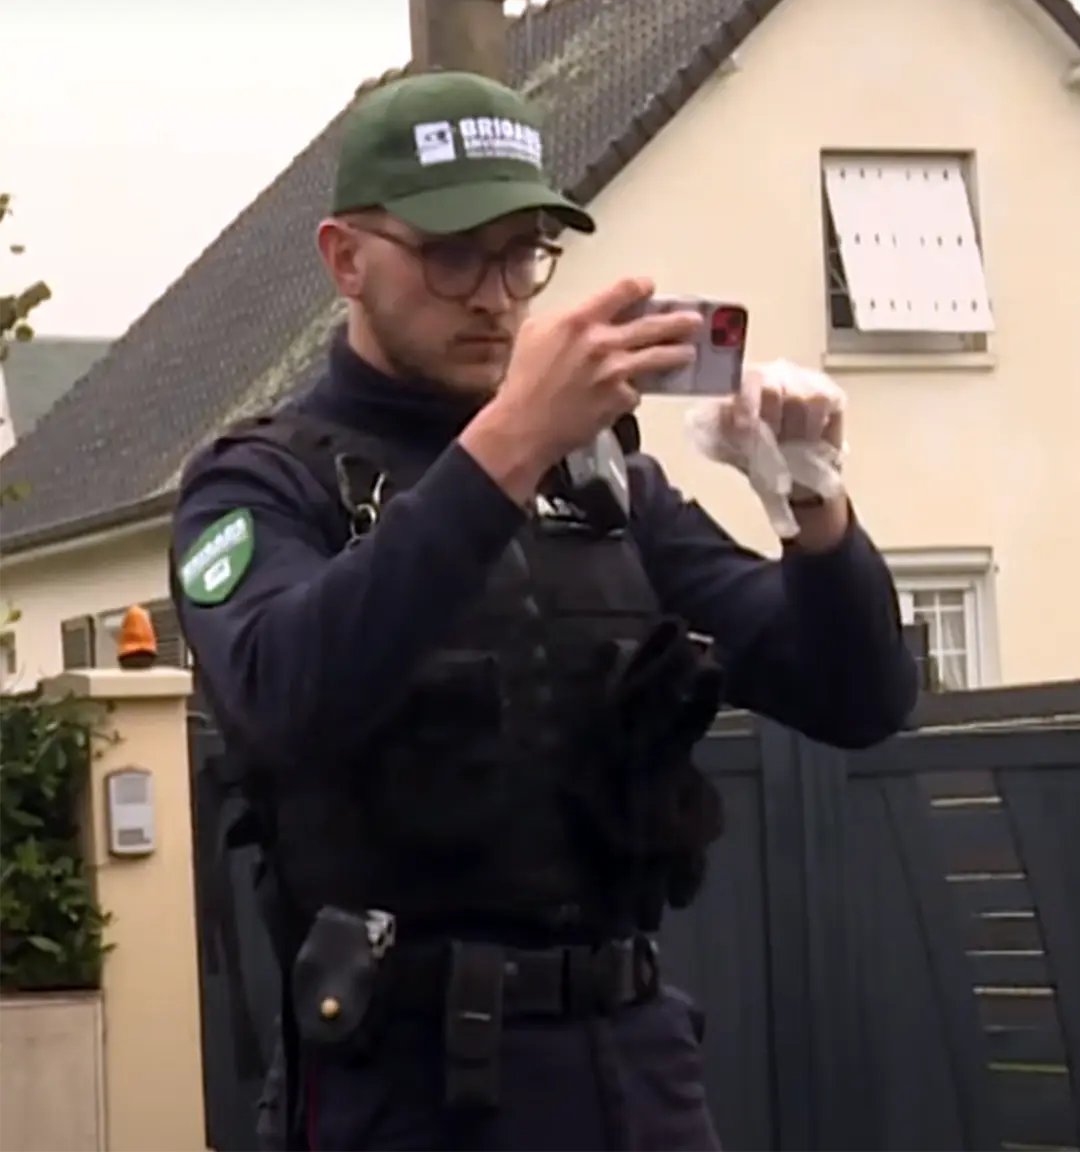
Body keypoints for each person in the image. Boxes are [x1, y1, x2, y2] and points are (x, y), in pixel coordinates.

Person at [171, 69, 919, 1152]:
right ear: (345, 258)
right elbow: (282, 696)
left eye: (522, 251)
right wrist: (510, 440)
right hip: (403, 1083)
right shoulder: (260, 484)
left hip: (633, 1068)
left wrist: (809, 498)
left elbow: (857, 696)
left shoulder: (600, 477)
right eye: (452, 252)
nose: (494, 293)